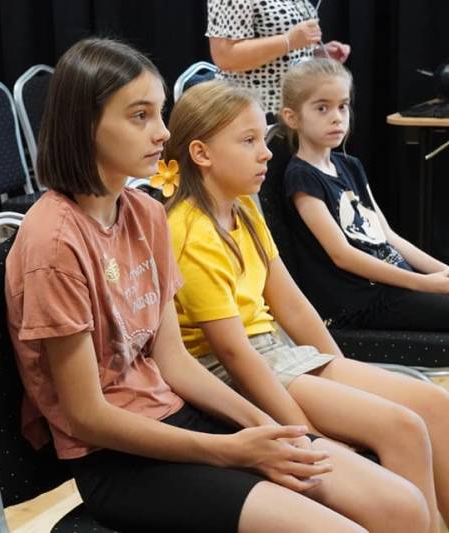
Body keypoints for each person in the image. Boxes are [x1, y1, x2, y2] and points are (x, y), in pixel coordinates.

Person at [5, 37, 429, 533]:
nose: (163, 132)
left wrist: (269, 427)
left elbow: (174, 362)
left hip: (179, 414)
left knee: (402, 506)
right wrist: (229, 450)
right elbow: (87, 417)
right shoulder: (55, 242)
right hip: (118, 459)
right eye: (140, 116)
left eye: (159, 113)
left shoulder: (144, 213)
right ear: (85, 125)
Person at [165, 78, 449, 533]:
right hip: (238, 370)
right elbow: (235, 354)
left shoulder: (243, 208)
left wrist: (343, 372)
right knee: (403, 428)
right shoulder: (188, 231)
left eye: (263, 139)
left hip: (280, 354)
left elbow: (293, 307)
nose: (266, 153)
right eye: (248, 141)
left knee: (434, 404)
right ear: (201, 153)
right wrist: (310, 435)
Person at [279, 57, 449, 331]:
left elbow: (388, 236)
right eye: (322, 108)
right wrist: (425, 283)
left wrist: (443, 271)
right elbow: (342, 255)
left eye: (343, 106)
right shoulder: (302, 177)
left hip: (394, 285)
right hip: (362, 301)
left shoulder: (350, 165)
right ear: (292, 117)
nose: (337, 117)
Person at [207, 0, 350, 115]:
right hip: (250, 110)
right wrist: (288, 40)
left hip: (293, 108)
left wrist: (318, 53)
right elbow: (224, 56)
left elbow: (284, 53)